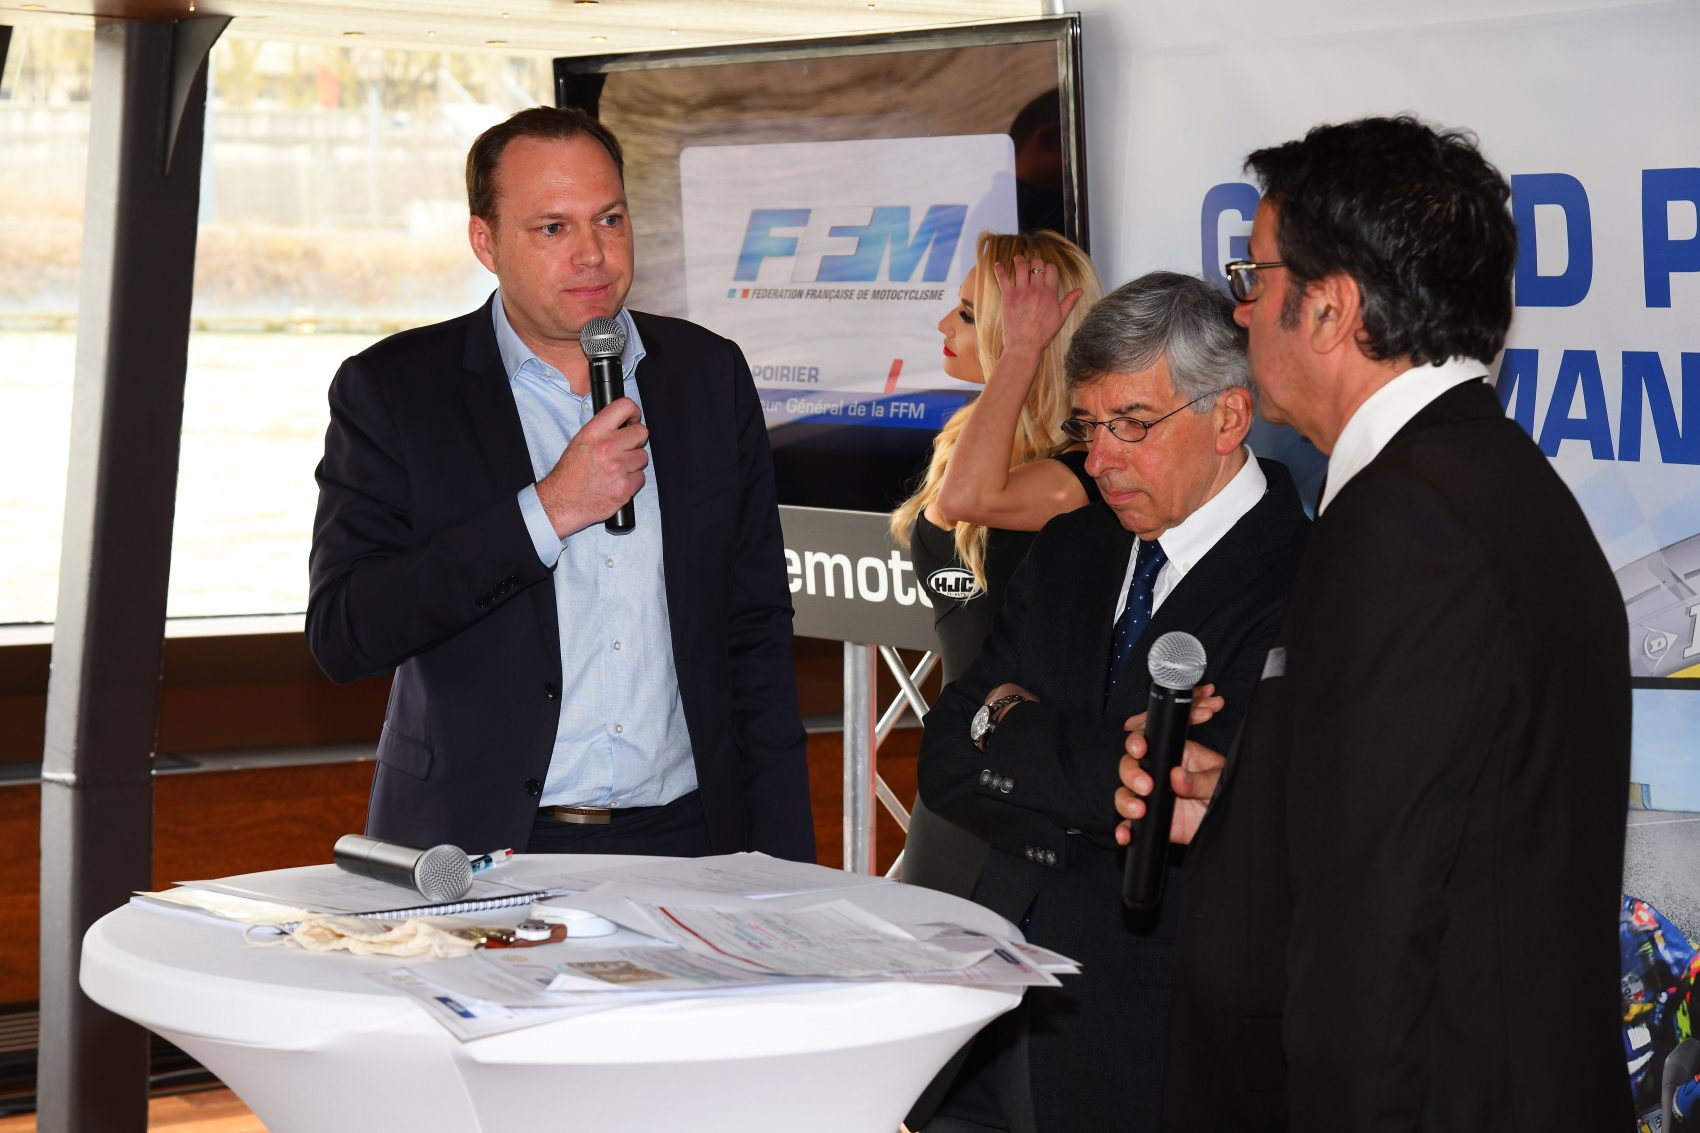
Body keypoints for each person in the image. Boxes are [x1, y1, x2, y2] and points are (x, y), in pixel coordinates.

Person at [1116, 116, 1632, 1131]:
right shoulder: (1484, 480)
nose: (1238, 306)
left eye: (1253, 276)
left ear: (1330, 309)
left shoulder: (1405, 522)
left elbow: (1374, 934)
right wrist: (1250, 807)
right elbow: (1444, 818)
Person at [306, 106, 813, 862]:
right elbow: (347, 632)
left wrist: (784, 861)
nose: (593, 255)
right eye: (553, 228)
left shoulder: (709, 375)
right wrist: (546, 511)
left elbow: (756, 631)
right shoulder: (395, 391)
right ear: (486, 242)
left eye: (609, 219)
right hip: (482, 843)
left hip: (692, 840)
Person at [916, 271, 1309, 1133]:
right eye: (1088, 427)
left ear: (1229, 417)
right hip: (985, 1012)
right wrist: (1111, 770)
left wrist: (1017, 727)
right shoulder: (1070, 546)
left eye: (1131, 425)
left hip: (1150, 1038)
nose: (1098, 461)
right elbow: (945, 755)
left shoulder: (1307, 580)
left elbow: (1208, 808)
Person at [890, 231, 1103, 899]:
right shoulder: (972, 435)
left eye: (967, 313)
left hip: (1019, 781)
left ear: (1034, 334)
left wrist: (1017, 354)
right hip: (952, 772)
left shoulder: (1073, 477)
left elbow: (967, 500)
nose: (942, 325)